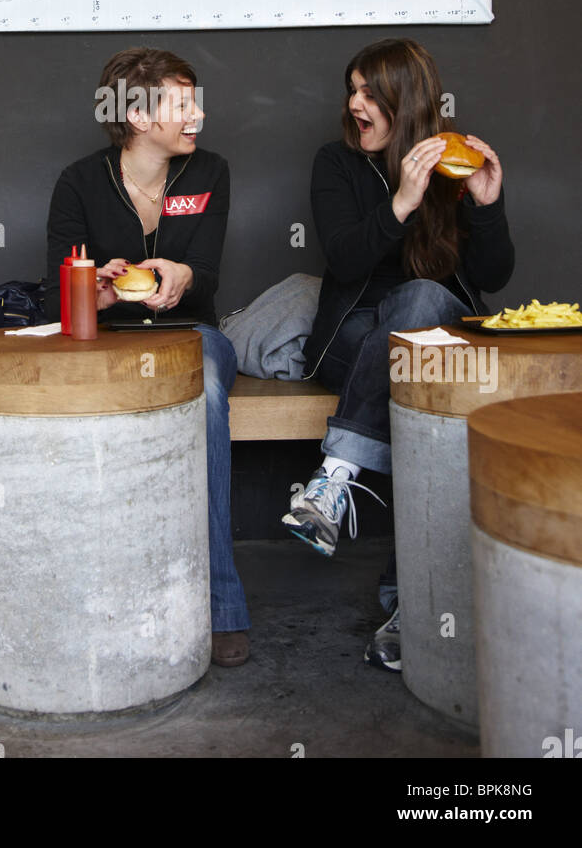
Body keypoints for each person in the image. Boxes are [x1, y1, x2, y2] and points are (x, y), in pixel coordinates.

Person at [282, 37, 514, 669]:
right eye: (351, 90)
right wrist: (401, 202)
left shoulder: (452, 163)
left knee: (422, 305)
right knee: (421, 384)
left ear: (403, 102)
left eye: (369, 93)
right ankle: (412, 610)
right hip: (354, 340)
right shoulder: (334, 164)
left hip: (438, 346)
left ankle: (334, 481)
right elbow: (347, 256)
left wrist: (488, 207)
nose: (354, 103)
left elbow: (493, 277)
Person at [44, 46, 251, 667]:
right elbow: (58, 292)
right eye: (182, 105)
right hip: (104, 343)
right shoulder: (79, 183)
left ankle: (221, 605)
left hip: (191, 335)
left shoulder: (210, 173)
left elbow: (207, 276)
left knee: (208, 388)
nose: (198, 116)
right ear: (137, 116)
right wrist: (98, 291)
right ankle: (83, 601)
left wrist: (183, 274)